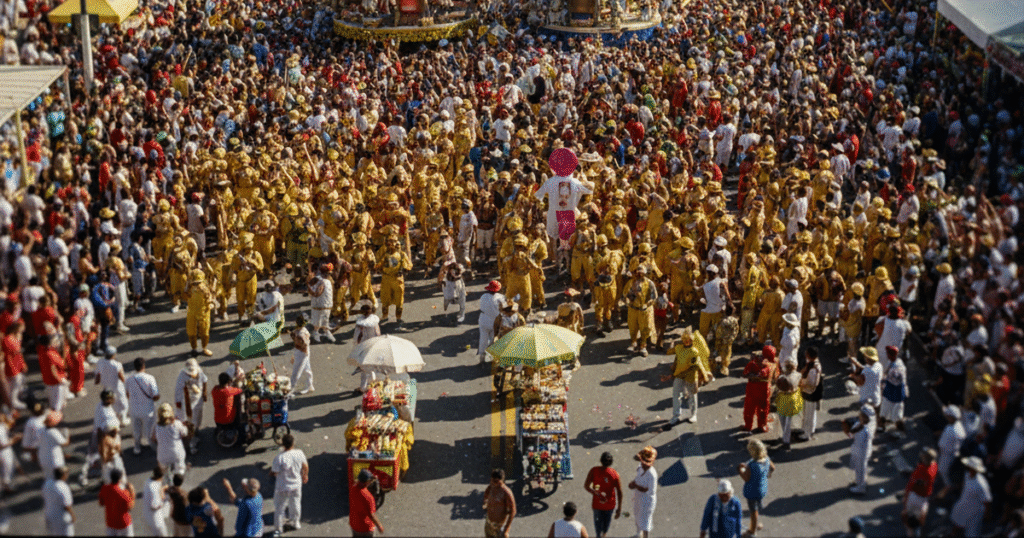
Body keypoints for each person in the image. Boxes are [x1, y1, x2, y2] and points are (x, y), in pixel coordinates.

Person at [665, 327, 711, 424]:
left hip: (690, 376)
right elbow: (670, 353)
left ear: (692, 340)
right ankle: (676, 415)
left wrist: (704, 376)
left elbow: (698, 365)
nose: (686, 341)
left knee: (692, 395)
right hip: (679, 375)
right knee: (676, 395)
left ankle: (694, 415)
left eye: (688, 340)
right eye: (684, 339)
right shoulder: (679, 348)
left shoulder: (694, 351)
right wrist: (670, 345)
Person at [270, 433, 308, 535]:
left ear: (283, 444)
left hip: (282, 487)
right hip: (296, 485)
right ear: (293, 443)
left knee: (279, 508)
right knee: (295, 504)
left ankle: (279, 528)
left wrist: (271, 473)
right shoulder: (299, 453)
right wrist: (305, 475)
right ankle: (295, 523)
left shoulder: (279, 458)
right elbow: (305, 466)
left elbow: (274, 472)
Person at [738, 439, 774, 536]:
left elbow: (746, 478)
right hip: (762, 489)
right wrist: (767, 475)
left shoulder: (752, 465)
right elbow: (772, 468)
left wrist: (740, 469)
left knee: (753, 511)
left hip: (752, 491)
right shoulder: (766, 459)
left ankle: (752, 531)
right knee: (756, 507)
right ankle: (755, 524)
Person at [583, 452, 622, 538]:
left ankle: (599, 536)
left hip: (597, 504)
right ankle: (604, 534)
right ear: (611, 462)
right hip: (610, 505)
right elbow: (619, 492)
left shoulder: (594, 471)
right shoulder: (615, 474)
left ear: (600, 461)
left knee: (597, 524)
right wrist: (619, 509)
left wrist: (595, 493)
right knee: (606, 522)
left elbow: (586, 486)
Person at [951, 456, 991, 537]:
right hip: (963, 503)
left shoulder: (981, 484)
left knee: (970, 531)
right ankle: (954, 534)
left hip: (973, 510)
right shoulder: (967, 474)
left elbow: (987, 501)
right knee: (958, 520)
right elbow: (963, 485)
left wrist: (987, 515)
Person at [126, 357, 160, 455]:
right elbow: (155, 395)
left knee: (136, 430)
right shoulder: (150, 378)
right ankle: (152, 445)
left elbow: (127, 394)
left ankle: (137, 447)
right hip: (147, 410)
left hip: (134, 410)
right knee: (149, 430)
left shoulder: (129, 379)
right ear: (144, 366)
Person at [902, 448, 937, 537]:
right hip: (924, 497)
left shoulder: (921, 470)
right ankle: (916, 533)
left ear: (925, 458)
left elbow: (911, 485)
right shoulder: (934, 465)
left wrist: (905, 497)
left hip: (916, 496)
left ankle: (910, 533)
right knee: (918, 521)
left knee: (909, 517)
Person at [174, 358, 207, 454]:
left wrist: (204, 393)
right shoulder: (182, 376)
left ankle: (196, 430)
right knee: (190, 423)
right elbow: (178, 392)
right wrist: (179, 405)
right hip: (188, 403)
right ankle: (191, 445)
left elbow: (205, 380)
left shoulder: (199, 371)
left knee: (198, 418)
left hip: (198, 400)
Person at [151, 403, 190, 480]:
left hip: (162, 455)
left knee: (164, 472)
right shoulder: (176, 424)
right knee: (180, 469)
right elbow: (185, 433)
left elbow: (153, 438)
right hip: (177, 453)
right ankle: (177, 482)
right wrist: (185, 426)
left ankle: (167, 482)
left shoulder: (156, 426)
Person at [844, 405, 877, 495]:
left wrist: (853, 431)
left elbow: (862, 441)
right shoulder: (858, 424)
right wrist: (847, 432)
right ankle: (859, 482)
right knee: (859, 469)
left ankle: (861, 487)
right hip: (857, 449)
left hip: (863, 452)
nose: (860, 416)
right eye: (861, 414)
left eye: (863, 415)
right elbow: (852, 436)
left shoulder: (867, 430)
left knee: (861, 469)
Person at [95, 347, 130, 425]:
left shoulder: (100, 362)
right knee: (123, 404)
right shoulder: (117, 365)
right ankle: (123, 420)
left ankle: (114, 418)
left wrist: (97, 381)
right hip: (117, 387)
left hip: (106, 387)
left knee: (110, 403)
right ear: (114, 355)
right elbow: (122, 378)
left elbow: (97, 375)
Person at [743, 347, 774, 433]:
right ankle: (748, 426)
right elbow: (745, 374)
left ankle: (762, 425)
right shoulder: (752, 364)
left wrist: (753, 376)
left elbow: (760, 374)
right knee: (749, 409)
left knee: (762, 410)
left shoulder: (768, 366)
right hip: (753, 390)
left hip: (762, 391)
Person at [879, 345, 909, 436]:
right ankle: (881, 426)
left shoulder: (896, 369)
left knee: (897, 415)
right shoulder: (896, 362)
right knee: (884, 410)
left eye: (888, 353)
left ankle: (900, 431)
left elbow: (890, 379)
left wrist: (881, 384)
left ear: (890, 355)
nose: (887, 355)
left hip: (896, 392)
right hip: (890, 391)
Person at [629, 446, 658, 538]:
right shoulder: (640, 467)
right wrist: (633, 483)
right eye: (644, 461)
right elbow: (637, 478)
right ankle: (638, 534)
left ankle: (645, 536)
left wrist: (635, 486)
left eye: (648, 462)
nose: (645, 464)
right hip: (639, 496)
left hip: (647, 500)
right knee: (637, 515)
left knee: (645, 521)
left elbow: (648, 490)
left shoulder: (652, 474)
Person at [775, 360, 803, 450]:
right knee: (789, 420)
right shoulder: (798, 375)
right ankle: (786, 438)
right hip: (793, 398)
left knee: (782, 418)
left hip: (784, 398)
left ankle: (786, 438)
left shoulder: (782, 377)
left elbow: (778, 388)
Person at [99, 468, 135, 536]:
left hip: (111, 523)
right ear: (120, 479)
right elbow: (130, 507)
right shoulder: (124, 493)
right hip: (124, 524)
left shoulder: (104, 489)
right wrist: (132, 493)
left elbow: (101, 503)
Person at [349, 469, 384, 537]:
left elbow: (357, 483)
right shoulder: (368, 497)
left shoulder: (353, 489)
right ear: (367, 482)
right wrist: (379, 525)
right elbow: (371, 515)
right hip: (365, 528)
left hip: (354, 524)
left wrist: (371, 479)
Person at [797, 347, 823, 441]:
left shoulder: (813, 368)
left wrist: (801, 384)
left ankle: (807, 434)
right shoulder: (813, 363)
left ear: (809, 355)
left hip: (810, 393)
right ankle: (807, 429)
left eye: (806, 353)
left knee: (809, 413)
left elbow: (812, 383)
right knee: (809, 412)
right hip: (810, 393)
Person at [43, 466, 75, 536]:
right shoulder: (63, 487)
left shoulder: (47, 484)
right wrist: (73, 516)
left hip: (50, 516)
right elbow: (67, 505)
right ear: (64, 475)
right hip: (62, 519)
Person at [484, 469, 516, 538]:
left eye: (496, 481)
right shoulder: (491, 486)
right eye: (492, 480)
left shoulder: (506, 492)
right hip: (489, 523)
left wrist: (506, 529)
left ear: (501, 480)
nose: (494, 483)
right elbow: (487, 491)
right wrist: (485, 501)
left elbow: (513, 511)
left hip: (500, 526)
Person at [308, 263, 335, 343]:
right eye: (328, 273)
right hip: (319, 304)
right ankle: (315, 333)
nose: (329, 274)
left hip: (327, 304)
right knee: (317, 321)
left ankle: (326, 332)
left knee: (325, 320)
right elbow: (316, 293)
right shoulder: (319, 280)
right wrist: (310, 290)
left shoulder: (328, 281)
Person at [212, 372, 244, 437]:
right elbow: (240, 390)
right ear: (228, 382)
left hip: (217, 420)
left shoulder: (214, 390)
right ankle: (238, 423)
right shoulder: (229, 391)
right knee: (237, 404)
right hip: (229, 421)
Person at [143, 465, 170, 537]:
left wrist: (163, 488)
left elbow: (157, 487)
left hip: (147, 514)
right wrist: (164, 502)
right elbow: (154, 506)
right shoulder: (154, 488)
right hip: (155, 519)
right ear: (161, 477)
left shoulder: (149, 480)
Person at [290, 316, 314, 395]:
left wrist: (294, 338)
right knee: (307, 369)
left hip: (301, 353)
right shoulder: (304, 330)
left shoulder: (300, 334)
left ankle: (290, 389)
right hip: (304, 352)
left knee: (296, 372)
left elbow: (302, 345)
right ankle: (310, 385)